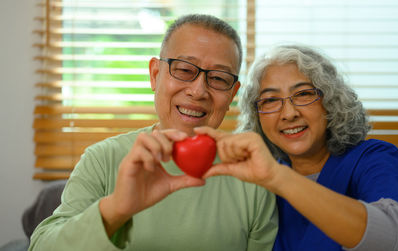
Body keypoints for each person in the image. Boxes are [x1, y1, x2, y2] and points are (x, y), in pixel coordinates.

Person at [28, 14, 278, 251]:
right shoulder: (102, 160)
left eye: (218, 78)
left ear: (232, 95)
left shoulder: (252, 176)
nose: (198, 91)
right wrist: (116, 209)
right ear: (155, 74)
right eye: (184, 69)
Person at [198, 45, 398, 250]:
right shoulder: (256, 182)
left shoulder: (372, 158)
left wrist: (278, 177)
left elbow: (391, 237)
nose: (289, 113)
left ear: (330, 101)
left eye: (303, 94)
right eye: (270, 100)